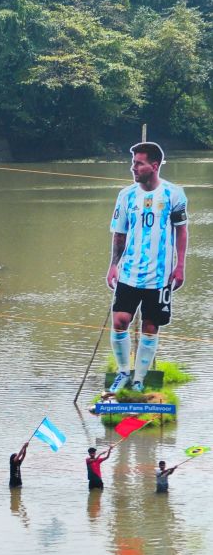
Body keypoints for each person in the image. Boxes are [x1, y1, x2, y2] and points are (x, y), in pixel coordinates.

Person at [107, 142, 188, 393]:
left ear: (154, 166)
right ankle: (122, 373)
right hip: (130, 272)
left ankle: (140, 379)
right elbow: (119, 234)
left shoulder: (174, 195)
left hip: (160, 276)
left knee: (150, 326)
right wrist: (113, 265)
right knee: (120, 320)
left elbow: (181, 230)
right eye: (133, 163)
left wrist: (180, 266)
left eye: (138, 163)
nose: (133, 168)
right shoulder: (126, 195)